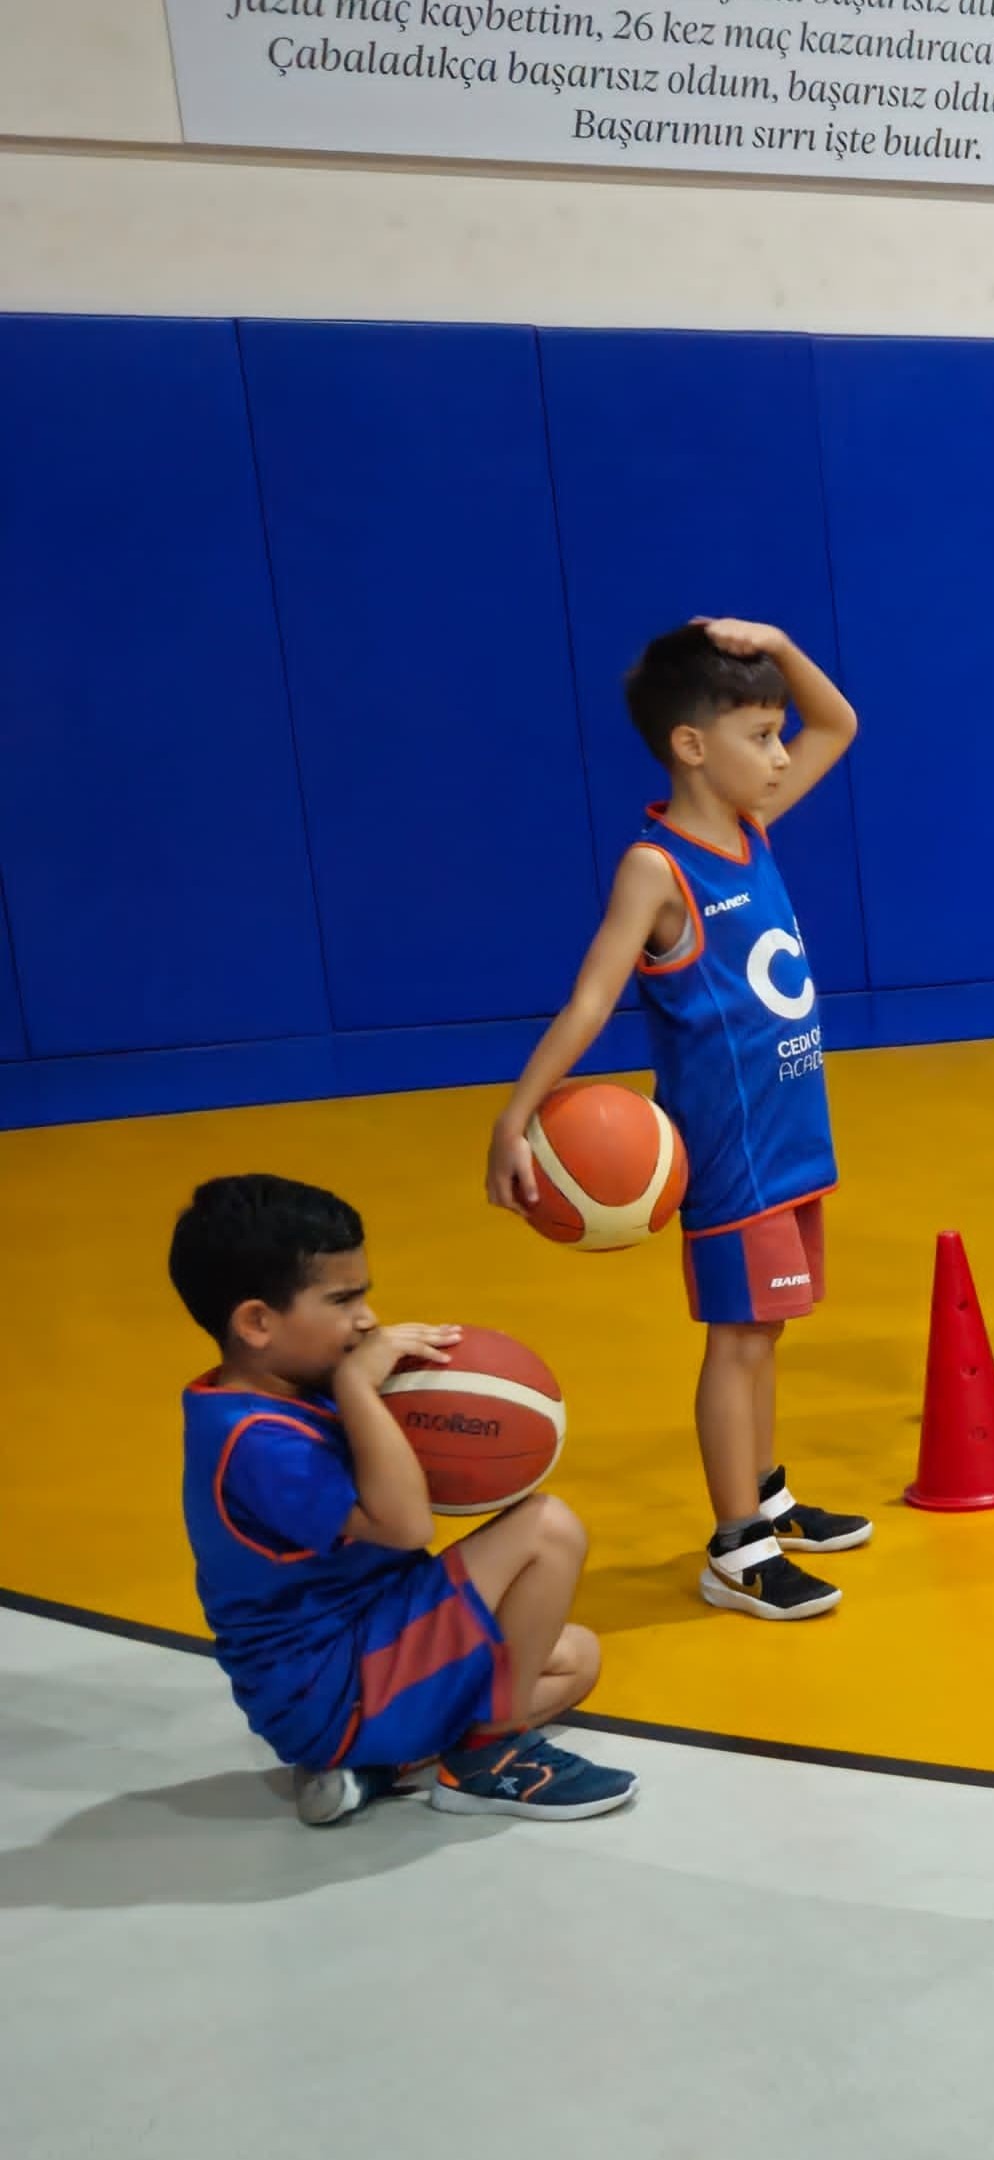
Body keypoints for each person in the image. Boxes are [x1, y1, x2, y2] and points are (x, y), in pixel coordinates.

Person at [485, 621, 873, 1622]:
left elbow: (842, 719)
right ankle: (736, 1549)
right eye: (760, 734)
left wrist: (779, 644)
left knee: (770, 1331)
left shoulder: (754, 825)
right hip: (731, 1154)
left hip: (795, 1138)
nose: (784, 752)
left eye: (779, 735)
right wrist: (515, 1118)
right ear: (692, 746)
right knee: (736, 1341)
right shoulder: (656, 871)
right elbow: (587, 1002)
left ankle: (769, 1493)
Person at [168, 1175, 633, 1826]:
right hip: (335, 1686)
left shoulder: (295, 1387)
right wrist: (360, 1389)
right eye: (342, 1299)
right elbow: (409, 1525)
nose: (366, 1319)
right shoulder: (254, 1442)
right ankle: (488, 1760)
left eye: (365, 1294)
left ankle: (376, 1770)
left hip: (369, 1649)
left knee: (575, 1657)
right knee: (548, 1530)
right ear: (257, 1322)